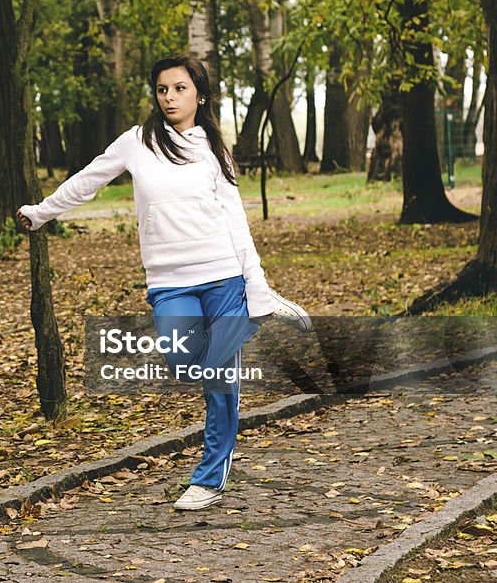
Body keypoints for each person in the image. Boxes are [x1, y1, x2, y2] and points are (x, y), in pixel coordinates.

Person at [17, 53, 311, 511]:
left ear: (200, 94)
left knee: (217, 376)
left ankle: (209, 479)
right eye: (162, 89)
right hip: (169, 280)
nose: (170, 97)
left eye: (179, 88)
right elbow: (89, 179)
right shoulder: (137, 142)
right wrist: (41, 212)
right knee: (181, 360)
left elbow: (235, 219)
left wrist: (255, 280)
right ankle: (261, 315)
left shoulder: (214, 148)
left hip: (223, 275)